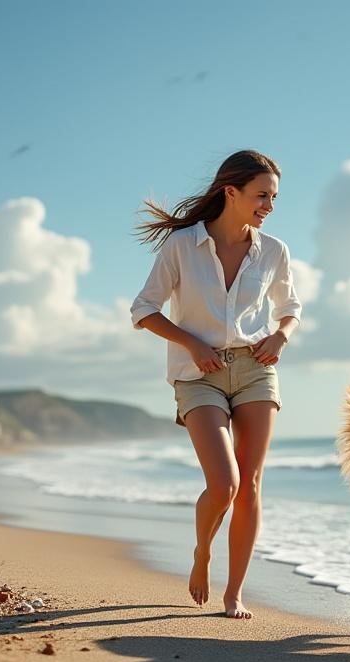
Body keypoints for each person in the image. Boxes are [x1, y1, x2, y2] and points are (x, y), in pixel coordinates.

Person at [130, 150, 301, 619]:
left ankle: (234, 594)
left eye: (274, 196)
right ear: (232, 192)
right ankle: (202, 553)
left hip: (256, 368)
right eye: (261, 195)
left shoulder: (274, 251)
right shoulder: (183, 246)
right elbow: (143, 309)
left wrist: (281, 336)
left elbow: (291, 306)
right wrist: (192, 344)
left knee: (250, 485)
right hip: (196, 373)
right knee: (224, 484)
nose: (269, 204)